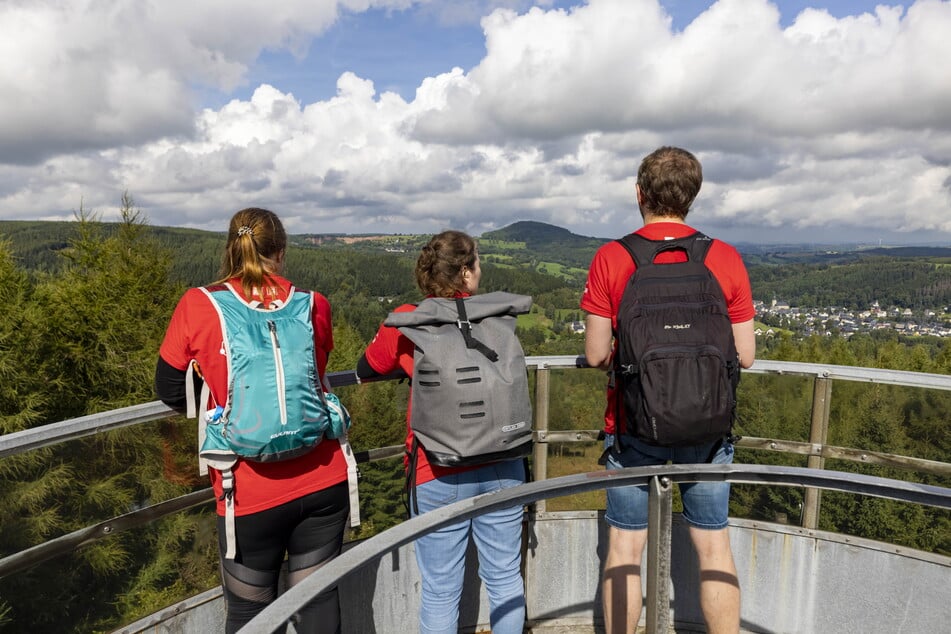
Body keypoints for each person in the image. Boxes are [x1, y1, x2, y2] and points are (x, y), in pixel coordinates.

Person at [581, 147, 756, 634]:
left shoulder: (612, 257)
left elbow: (597, 355)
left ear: (639, 194)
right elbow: (744, 355)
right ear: (692, 197)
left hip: (635, 429)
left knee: (624, 550)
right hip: (708, 429)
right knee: (714, 547)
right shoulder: (724, 257)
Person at [155, 208, 352, 633]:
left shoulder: (199, 304)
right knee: (318, 602)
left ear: (231, 247)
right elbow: (317, 370)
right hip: (323, 477)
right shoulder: (313, 303)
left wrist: (222, 405)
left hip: (246, 488)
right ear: (280, 253)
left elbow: (169, 388)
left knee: (251, 615)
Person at [355, 230, 527, 634]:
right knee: (504, 578)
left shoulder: (410, 319)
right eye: (477, 263)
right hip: (504, 459)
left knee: (439, 590)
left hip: (437, 467)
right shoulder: (496, 317)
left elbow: (366, 369)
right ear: (466, 273)